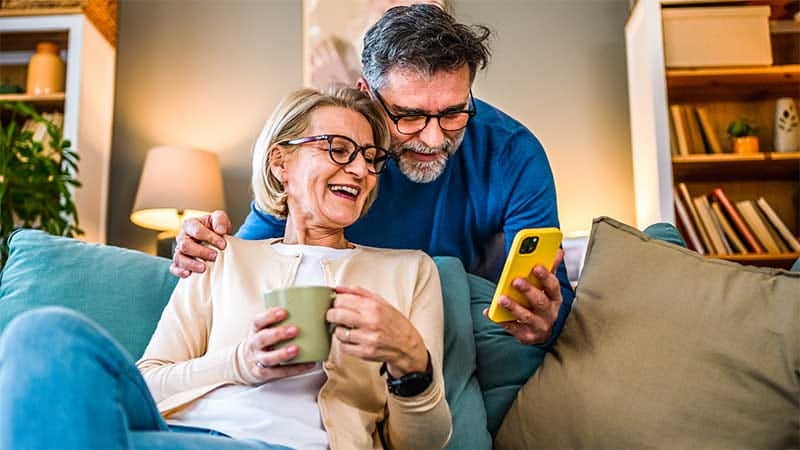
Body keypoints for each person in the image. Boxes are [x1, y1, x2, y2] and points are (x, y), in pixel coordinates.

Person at [0, 86, 451, 450]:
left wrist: (411, 361)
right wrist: (241, 363)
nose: (360, 170)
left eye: (371, 158)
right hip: (165, 434)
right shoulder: (220, 255)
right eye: (338, 149)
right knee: (40, 333)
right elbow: (149, 384)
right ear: (281, 163)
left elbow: (423, 444)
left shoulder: (409, 272)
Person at [173, 4, 574, 347]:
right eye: (409, 115)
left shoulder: (512, 152)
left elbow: (554, 301)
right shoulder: (327, 156)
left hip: (456, 329)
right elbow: (247, 261)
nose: (434, 138)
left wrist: (545, 324)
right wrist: (204, 253)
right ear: (366, 91)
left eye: (454, 113)